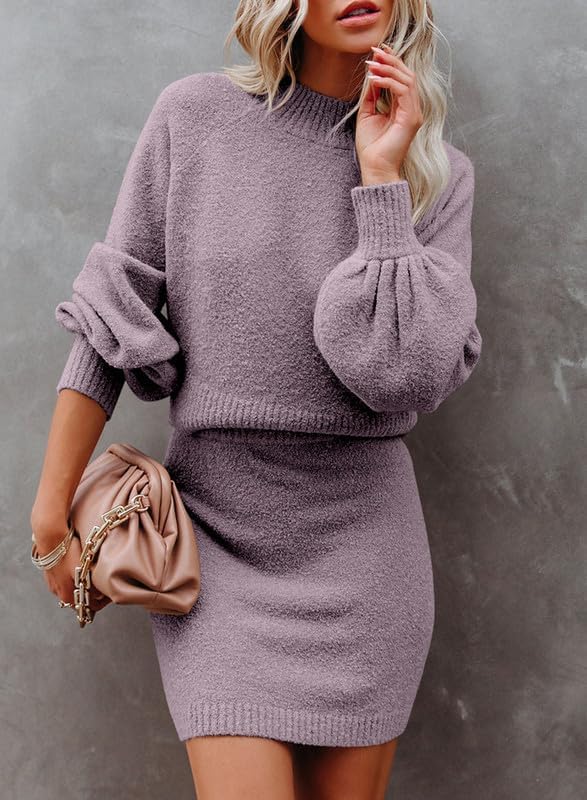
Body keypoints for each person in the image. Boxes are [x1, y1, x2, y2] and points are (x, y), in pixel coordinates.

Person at [31, 1, 483, 797]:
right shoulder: (194, 117)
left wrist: (382, 183)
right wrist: (48, 516)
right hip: (213, 543)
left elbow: (402, 377)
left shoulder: (436, 174)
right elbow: (110, 319)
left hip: (364, 550)